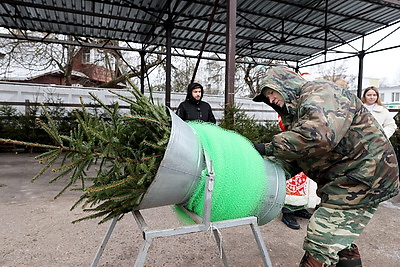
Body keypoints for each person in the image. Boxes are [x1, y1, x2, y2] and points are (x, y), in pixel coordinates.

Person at [252, 66, 399, 266]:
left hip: (364, 176)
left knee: (320, 242)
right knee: (339, 239)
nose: (270, 99)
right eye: (266, 97)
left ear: (285, 84)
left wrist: (266, 147)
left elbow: (318, 135)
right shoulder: (298, 115)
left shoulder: (321, 92)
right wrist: (262, 173)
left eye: (270, 92)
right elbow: (295, 156)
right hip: (344, 180)